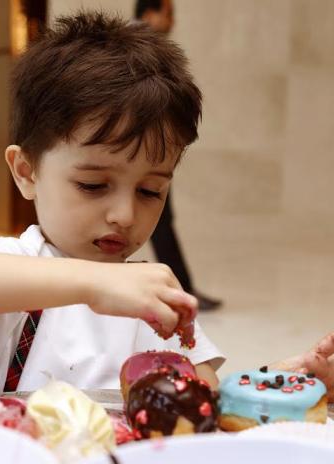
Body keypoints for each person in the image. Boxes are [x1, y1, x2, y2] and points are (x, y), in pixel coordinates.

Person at [0, 12, 334, 400]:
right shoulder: (15, 268)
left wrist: (281, 383)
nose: (124, 214)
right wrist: (91, 284)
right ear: (27, 172)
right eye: (93, 185)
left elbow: (204, 398)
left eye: (150, 191)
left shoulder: (153, 295)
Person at [135, 0, 222, 311]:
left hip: (149, 154)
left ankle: (182, 290)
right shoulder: (137, 48)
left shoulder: (146, 46)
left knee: (161, 221)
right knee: (158, 222)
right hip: (142, 156)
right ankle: (182, 292)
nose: (173, 20)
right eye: (168, 13)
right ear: (150, 14)